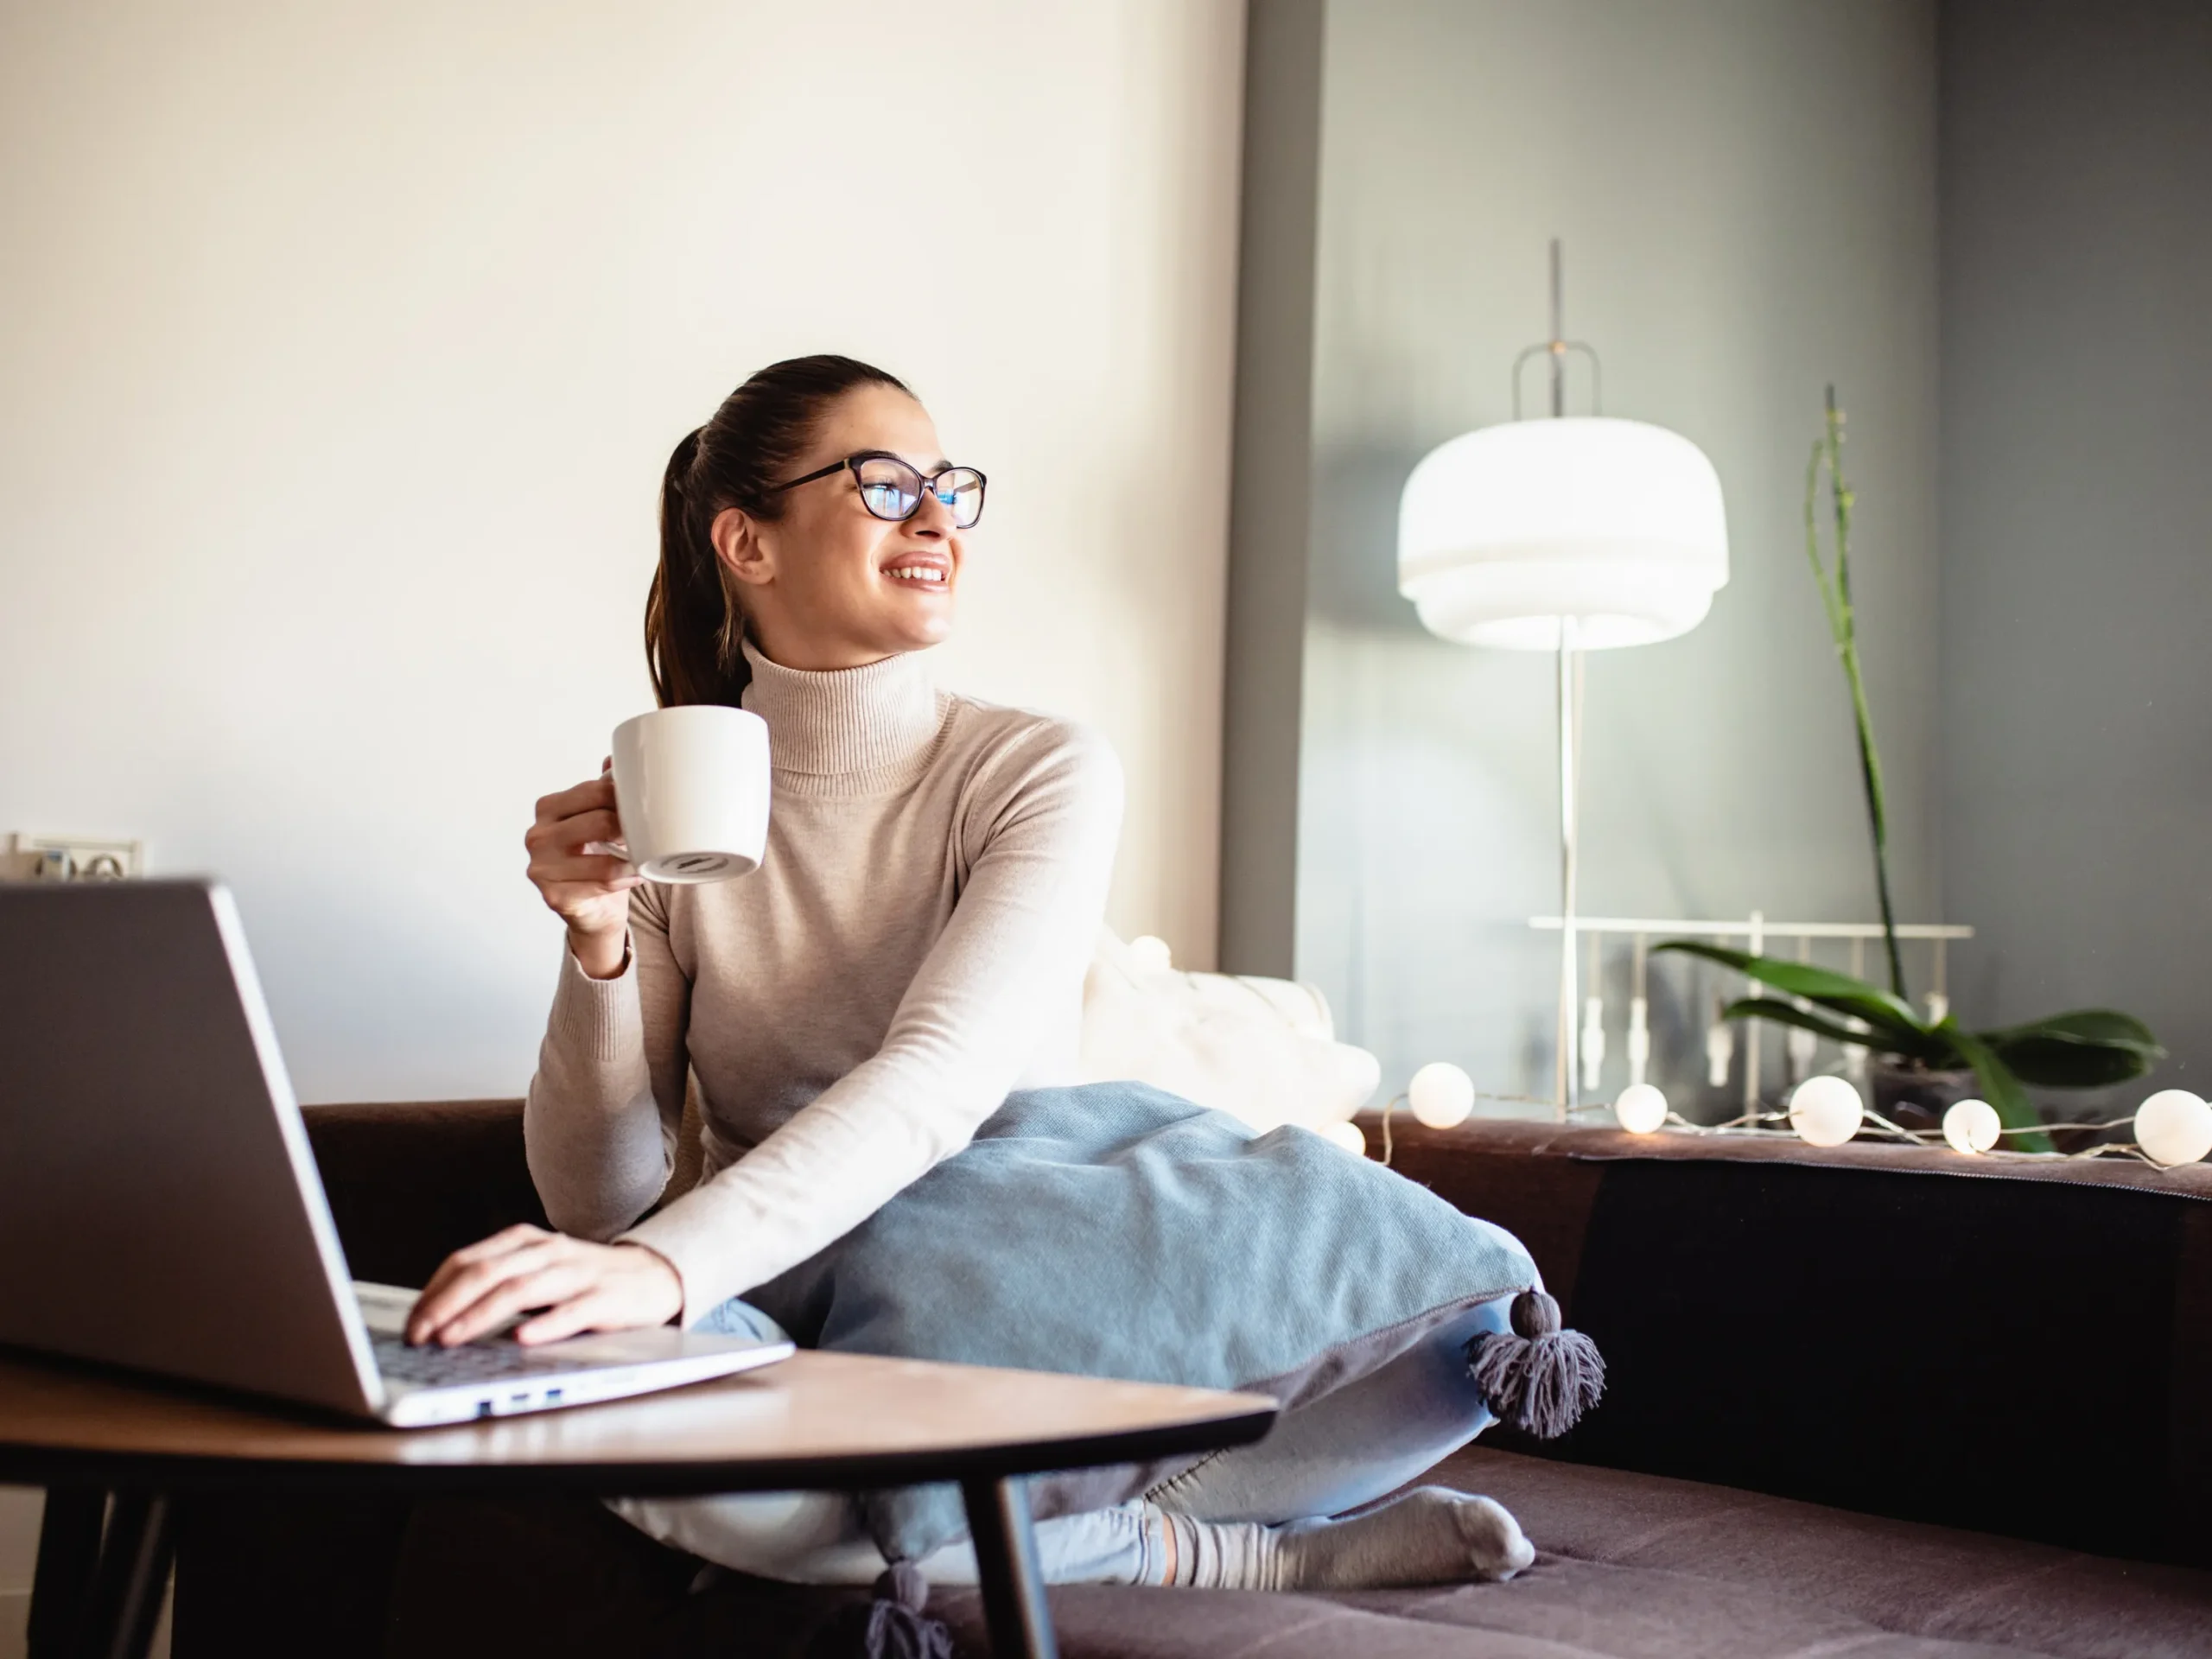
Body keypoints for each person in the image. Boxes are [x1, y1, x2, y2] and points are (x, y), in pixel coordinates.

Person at [403, 354, 1537, 1591]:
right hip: (804, 1307)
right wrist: (598, 944)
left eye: (948, 486)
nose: (939, 516)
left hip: (1044, 1272)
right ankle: (1198, 1553)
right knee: (524, 1365)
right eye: (886, 486)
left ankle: (1169, 1540)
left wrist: (663, 1271)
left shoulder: (1035, 768)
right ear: (749, 542)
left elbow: (941, 1079)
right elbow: (597, 1203)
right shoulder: (681, 803)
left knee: (1462, 1329)